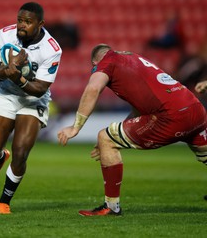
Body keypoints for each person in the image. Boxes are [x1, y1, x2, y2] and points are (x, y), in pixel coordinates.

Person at [57, 44, 207, 216]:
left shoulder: (106, 61)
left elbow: (93, 88)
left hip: (171, 117)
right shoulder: (133, 58)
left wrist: (76, 126)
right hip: (196, 108)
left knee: (105, 137)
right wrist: (120, 136)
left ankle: (111, 207)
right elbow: (140, 109)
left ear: (94, 63)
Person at [0, 2, 62, 214]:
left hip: (32, 100)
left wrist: (17, 77)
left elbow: (39, 89)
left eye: (28, 22)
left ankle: (4, 201)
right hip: (5, 94)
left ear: (40, 24)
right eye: (20, 20)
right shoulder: (5, 34)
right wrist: (8, 71)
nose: (21, 26)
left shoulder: (52, 49)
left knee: (21, 151)